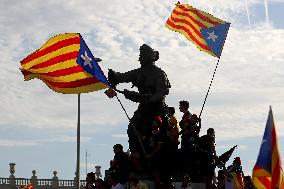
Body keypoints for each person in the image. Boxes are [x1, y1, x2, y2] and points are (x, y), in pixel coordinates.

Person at [108, 44, 171, 158]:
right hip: (144, 107)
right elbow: (122, 77)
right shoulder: (139, 72)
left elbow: (160, 94)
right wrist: (113, 76)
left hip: (157, 108)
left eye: (143, 56)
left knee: (162, 130)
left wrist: (143, 97)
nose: (141, 58)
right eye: (140, 56)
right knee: (132, 127)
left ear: (150, 57)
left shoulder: (160, 74)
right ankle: (135, 154)